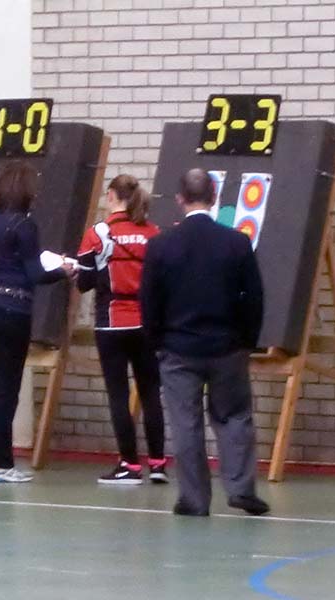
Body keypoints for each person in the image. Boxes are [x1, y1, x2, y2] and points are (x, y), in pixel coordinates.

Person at [140, 168, 269, 516]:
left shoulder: (160, 245)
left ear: (179, 199)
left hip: (178, 349)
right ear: (214, 197)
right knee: (235, 417)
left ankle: (194, 500)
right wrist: (247, 341)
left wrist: (156, 342)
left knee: (186, 423)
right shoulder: (237, 242)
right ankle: (241, 489)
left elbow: (149, 300)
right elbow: (254, 297)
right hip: (227, 347)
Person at [0, 161, 75, 483]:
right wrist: (63, 270)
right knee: (8, 388)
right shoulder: (25, 225)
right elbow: (35, 273)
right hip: (12, 309)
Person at [76, 174, 167, 485]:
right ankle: (158, 464)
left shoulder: (97, 234)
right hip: (146, 324)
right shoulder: (154, 233)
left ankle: (130, 464)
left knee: (118, 394)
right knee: (151, 392)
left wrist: (73, 270)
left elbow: (85, 282)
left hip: (111, 324)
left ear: (112, 196)